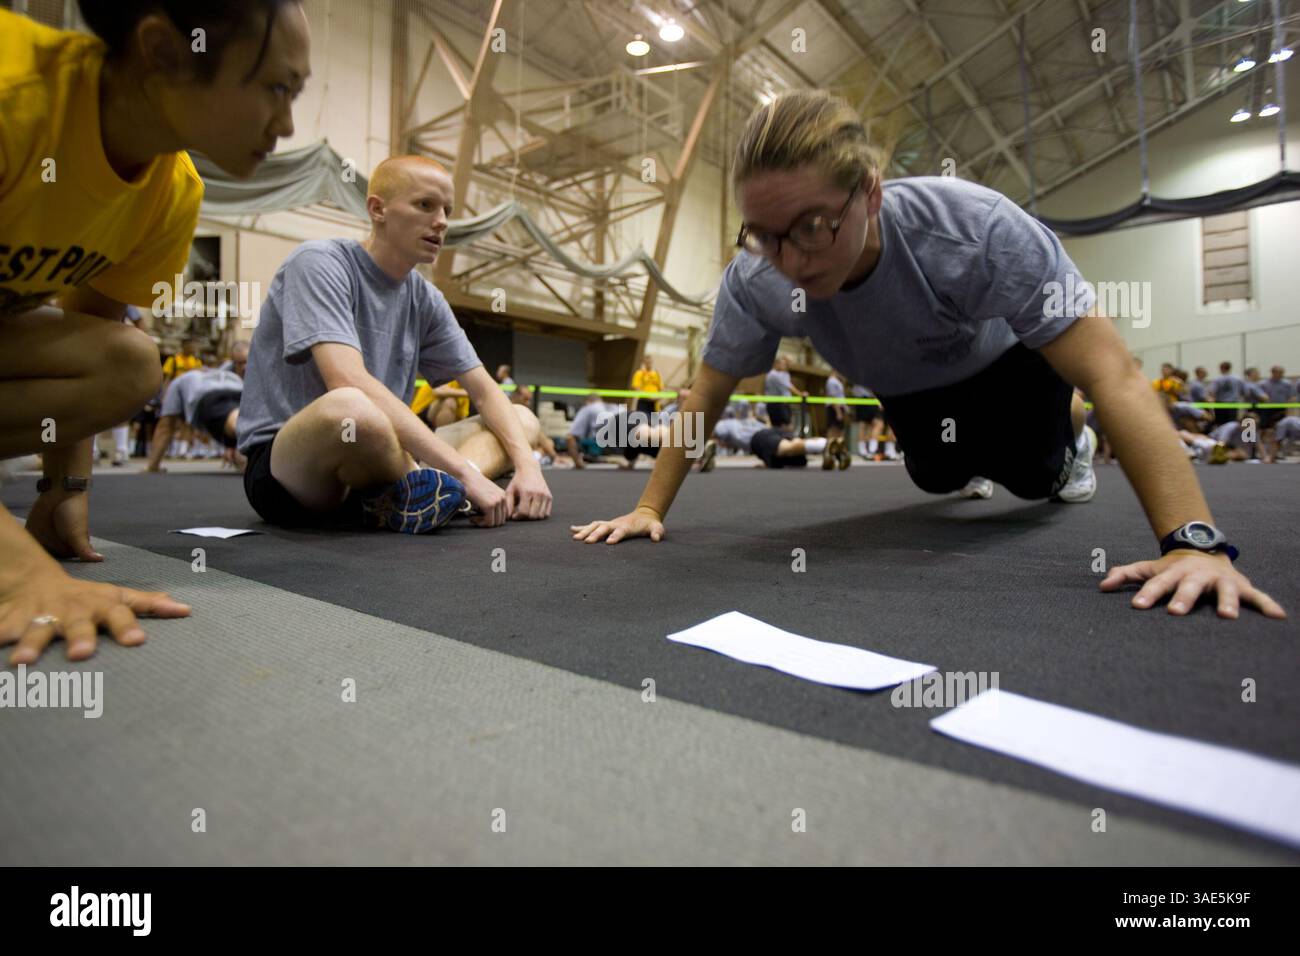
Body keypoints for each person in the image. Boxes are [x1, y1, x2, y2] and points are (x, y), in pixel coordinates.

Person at [572, 89, 1284, 621]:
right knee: (936, 473)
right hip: (906, 388)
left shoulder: (973, 232)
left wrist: (1194, 543)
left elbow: (1113, 373)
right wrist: (647, 505)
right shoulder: (757, 277)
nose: (788, 259)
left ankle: (1069, 434)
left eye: (813, 227)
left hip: (1009, 367)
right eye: (763, 235)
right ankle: (970, 451)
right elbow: (706, 395)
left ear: (871, 195)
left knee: (1031, 480)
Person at [0, 0, 312, 666]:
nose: (287, 124)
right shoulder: (13, 100)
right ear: (164, 51)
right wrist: (19, 571)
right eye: (275, 89)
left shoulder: (171, 192)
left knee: (130, 364)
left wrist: (65, 490)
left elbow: (88, 332)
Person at [236, 154, 551, 533]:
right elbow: (346, 379)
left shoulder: (426, 298)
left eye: (447, 210)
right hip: (294, 473)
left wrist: (529, 468)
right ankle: (443, 487)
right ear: (377, 209)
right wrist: (468, 474)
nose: (442, 222)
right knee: (351, 409)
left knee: (522, 419)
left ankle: (416, 495)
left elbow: (484, 391)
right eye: (424, 205)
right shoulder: (319, 263)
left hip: (385, 461)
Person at [147, 342, 249, 471]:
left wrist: (153, 466)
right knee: (237, 420)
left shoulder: (181, 382)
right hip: (236, 394)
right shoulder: (227, 374)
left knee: (236, 422)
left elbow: (165, 427)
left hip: (211, 397)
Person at [764, 355, 806, 430]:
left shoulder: (783, 374)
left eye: (786, 364)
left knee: (783, 425)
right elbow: (788, 386)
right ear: (777, 364)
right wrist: (800, 394)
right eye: (783, 364)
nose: (785, 366)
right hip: (777, 404)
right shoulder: (773, 374)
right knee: (785, 426)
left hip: (781, 403)